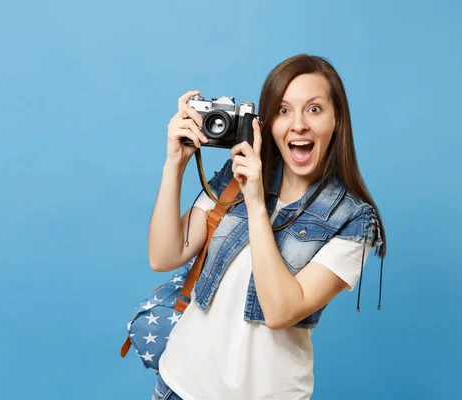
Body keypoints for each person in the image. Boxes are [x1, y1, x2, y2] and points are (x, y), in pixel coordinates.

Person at [147, 54, 387, 400]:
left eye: (314, 109)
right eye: (283, 110)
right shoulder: (235, 177)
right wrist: (175, 164)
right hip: (179, 386)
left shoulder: (354, 220)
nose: (299, 125)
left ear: (337, 120)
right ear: (267, 122)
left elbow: (280, 311)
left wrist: (257, 202)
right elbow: (163, 255)